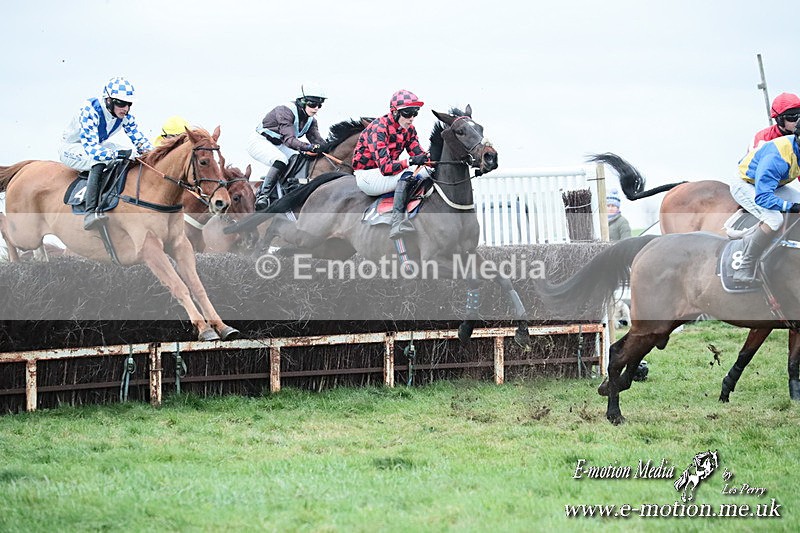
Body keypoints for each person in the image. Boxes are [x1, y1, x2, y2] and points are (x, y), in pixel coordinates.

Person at [59, 77, 153, 230]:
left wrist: (155, 156)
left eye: (129, 104)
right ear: (108, 100)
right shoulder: (90, 110)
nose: (126, 109)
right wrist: (121, 153)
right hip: (73, 147)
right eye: (121, 103)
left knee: (131, 155)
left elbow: (140, 141)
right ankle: (90, 213)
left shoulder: (125, 115)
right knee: (98, 161)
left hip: (98, 145)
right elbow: (92, 150)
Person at [352, 89, 431, 239]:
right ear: (394, 112)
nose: (412, 118)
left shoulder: (409, 130)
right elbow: (386, 167)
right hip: (368, 176)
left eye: (415, 113)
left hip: (386, 174)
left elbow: (420, 156)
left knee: (427, 170)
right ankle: (397, 223)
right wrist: (410, 161)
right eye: (408, 113)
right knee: (409, 173)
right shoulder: (378, 128)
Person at [730, 127, 800, 285]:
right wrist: (793, 207)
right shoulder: (777, 158)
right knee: (774, 219)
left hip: (773, 184)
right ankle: (744, 267)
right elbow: (763, 197)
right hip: (747, 185)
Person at [247, 84, 327, 210]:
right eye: (313, 104)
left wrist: (328, 148)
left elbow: (317, 141)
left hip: (280, 144)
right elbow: (289, 140)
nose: (316, 109)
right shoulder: (285, 111)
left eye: (319, 105)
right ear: (302, 102)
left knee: (299, 158)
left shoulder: (311, 120)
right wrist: (309, 147)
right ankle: (263, 195)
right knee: (281, 159)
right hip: (260, 141)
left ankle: (287, 188)